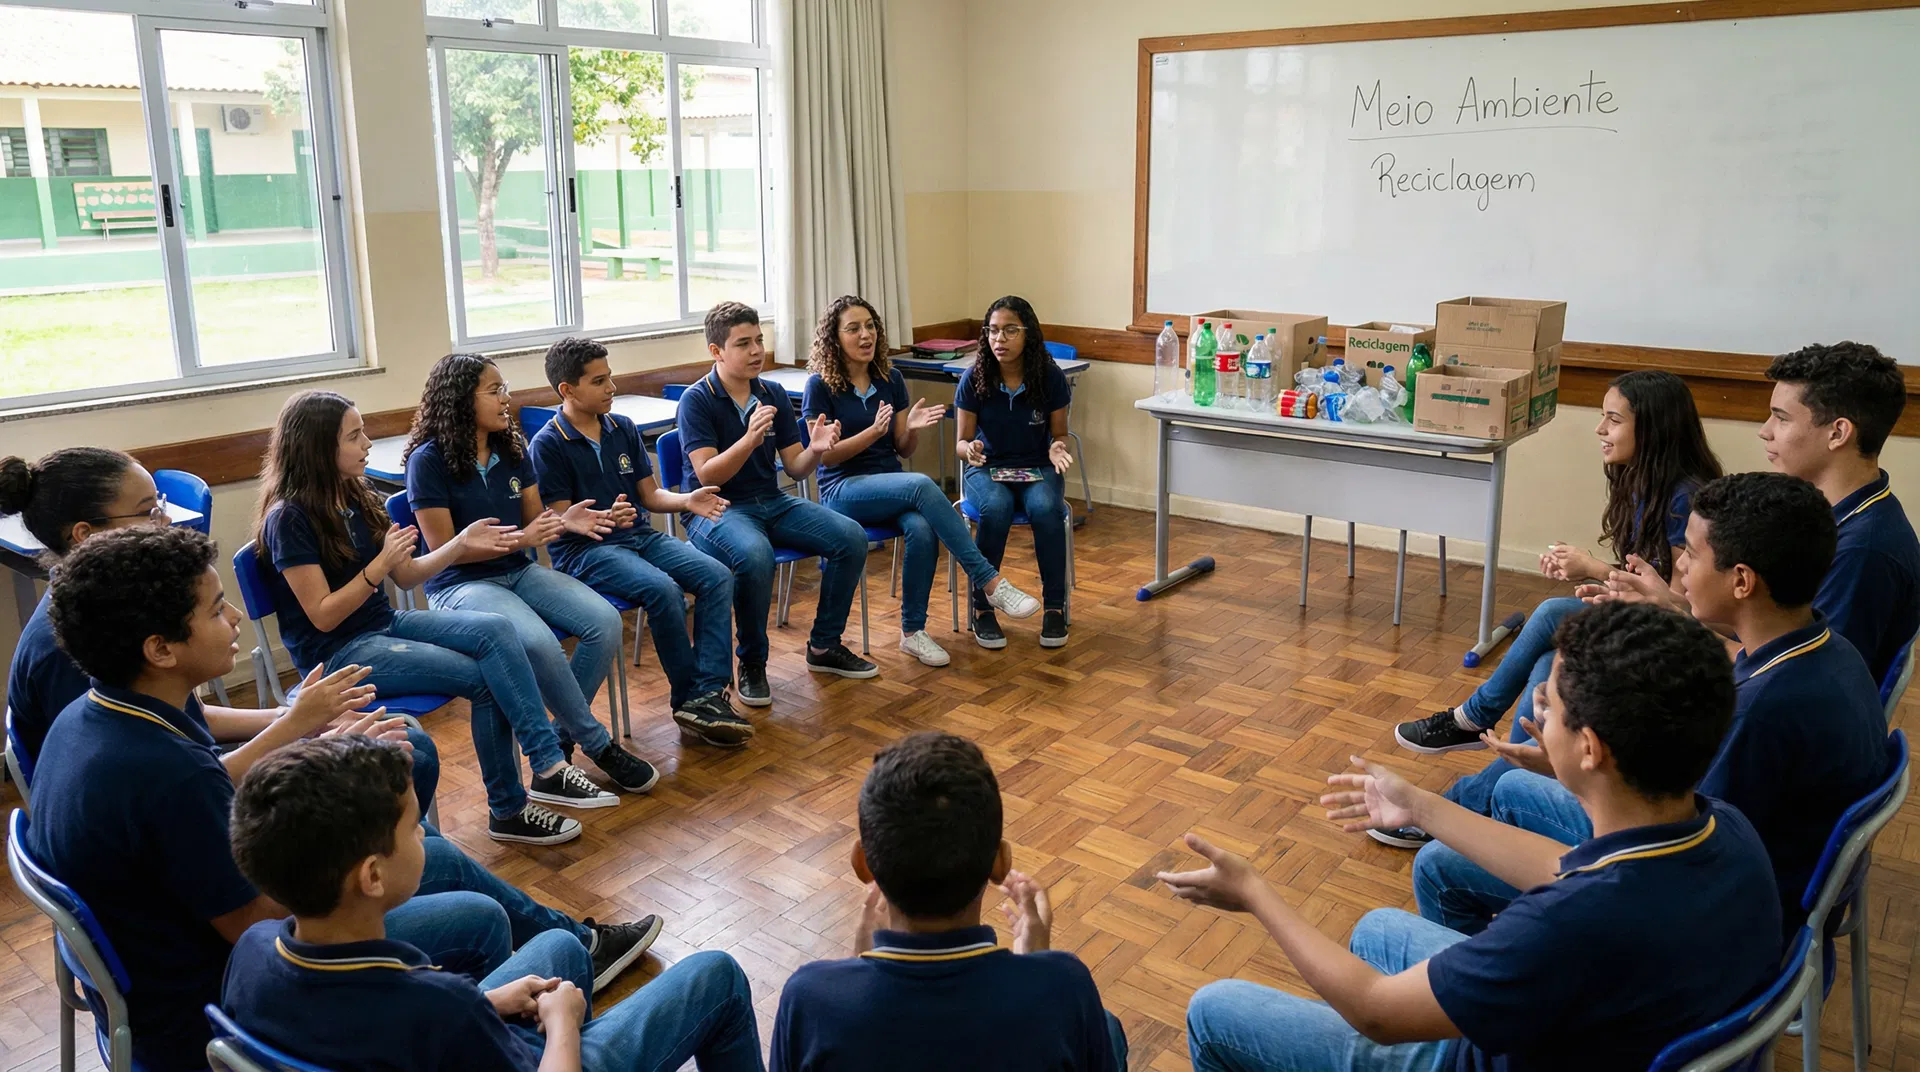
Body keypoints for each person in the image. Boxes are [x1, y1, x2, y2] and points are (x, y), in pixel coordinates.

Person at [1161, 602, 1782, 1072]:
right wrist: (1421, 806)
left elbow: (1376, 1011)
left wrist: (1254, 892)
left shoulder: (1572, 925)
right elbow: (1569, 868)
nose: (1538, 700)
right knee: (1377, 926)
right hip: (1595, 1030)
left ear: (1591, 749)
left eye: (1553, 702)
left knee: (1215, 1010)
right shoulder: (1727, 829)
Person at [23, 526, 515, 1072]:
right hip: (220, 1002)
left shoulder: (90, 714)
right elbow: (257, 924)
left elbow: (195, 828)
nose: (235, 617)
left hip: (166, 965)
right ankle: (459, 1033)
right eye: (215, 610)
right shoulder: (168, 776)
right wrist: (341, 796)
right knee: (480, 919)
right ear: (159, 649)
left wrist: (313, 750)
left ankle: (553, 956)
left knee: (435, 856)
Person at [255, 386, 660, 940]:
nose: (367, 442)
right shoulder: (290, 517)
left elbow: (412, 576)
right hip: (339, 654)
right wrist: (376, 569)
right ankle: (524, 791)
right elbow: (323, 617)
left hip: (383, 625)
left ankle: (533, 778)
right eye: (354, 436)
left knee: (496, 636)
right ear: (317, 446)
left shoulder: (354, 493)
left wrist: (456, 545)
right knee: (486, 676)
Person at [1414, 473, 1889, 939]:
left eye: (1694, 555)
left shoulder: (1758, 713)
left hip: (1712, 914)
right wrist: (1671, 609)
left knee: (1437, 867)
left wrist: (1573, 771)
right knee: (1513, 784)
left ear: (1742, 580)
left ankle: (1529, 965)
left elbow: (1670, 848)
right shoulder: (1827, 649)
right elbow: (1739, 664)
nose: (1680, 569)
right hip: (1754, 871)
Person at [222, 735, 766, 1072]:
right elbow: (431, 1016)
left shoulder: (250, 952)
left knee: (557, 945)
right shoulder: (437, 1008)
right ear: (371, 875)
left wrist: (489, 1002)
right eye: (416, 829)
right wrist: (561, 1027)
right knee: (714, 974)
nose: (428, 841)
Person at [1385, 370, 1722, 843]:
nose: (1601, 430)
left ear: (1653, 429)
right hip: (1648, 624)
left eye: (1612, 420)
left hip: (1666, 643)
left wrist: (1595, 571)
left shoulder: (1686, 497)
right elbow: (1642, 579)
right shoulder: (1642, 481)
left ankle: (1471, 726)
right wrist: (1591, 572)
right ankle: (1474, 802)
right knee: (1548, 665)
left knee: (1548, 616)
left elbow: (1677, 601)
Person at [0, 447, 437, 811]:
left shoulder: (114, 608)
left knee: (401, 741)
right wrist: (298, 735)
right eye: (148, 512)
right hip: (181, 819)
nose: (165, 521)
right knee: (399, 755)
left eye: (161, 507)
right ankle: (383, 878)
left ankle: (395, 868)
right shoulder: (70, 648)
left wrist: (297, 718)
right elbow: (170, 790)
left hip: (195, 774)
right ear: (84, 535)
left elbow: (193, 717)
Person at [770, 732, 1124, 1071]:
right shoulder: (1065, 986)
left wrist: (856, 971)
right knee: (1104, 1026)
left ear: (862, 864)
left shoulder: (809, 999)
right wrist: (1038, 967)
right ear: (1000, 864)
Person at [1582, 342, 1918, 688]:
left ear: (1838, 433)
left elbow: (1799, 675)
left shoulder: (1863, 551)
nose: (1765, 430)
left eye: (1782, 418)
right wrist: (1672, 603)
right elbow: (1772, 625)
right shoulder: (1834, 517)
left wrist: (1675, 620)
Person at [403, 352, 658, 799]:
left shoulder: (512, 448)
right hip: (461, 585)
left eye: (505, 389)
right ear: (462, 400)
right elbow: (449, 550)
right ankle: (597, 744)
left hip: (516, 572)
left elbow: (535, 521)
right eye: (495, 390)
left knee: (604, 622)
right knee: (539, 642)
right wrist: (527, 537)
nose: (507, 398)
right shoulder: (428, 461)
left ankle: (564, 735)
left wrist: (568, 522)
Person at [527, 337, 753, 748]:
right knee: (663, 590)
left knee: (717, 576)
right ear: (568, 390)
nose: (611, 387)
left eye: (610, 377)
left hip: (640, 537)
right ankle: (690, 700)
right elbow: (563, 521)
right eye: (599, 381)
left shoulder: (623, 428)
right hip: (587, 552)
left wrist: (687, 499)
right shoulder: (547, 444)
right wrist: (597, 520)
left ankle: (708, 691)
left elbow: (649, 496)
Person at [801, 296, 1040, 667]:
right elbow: (825, 456)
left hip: (889, 485)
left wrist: (909, 431)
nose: (866, 335)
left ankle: (913, 632)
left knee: (922, 527)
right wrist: (870, 433)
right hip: (842, 489)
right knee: (921, 485)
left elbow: (902, 448)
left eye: (870, 327)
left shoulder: (890, 378)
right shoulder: (820, 386)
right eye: (854, 329)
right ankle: (990, 582)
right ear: (834, 338)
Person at [676, 300, 877, 706]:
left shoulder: (772, 392)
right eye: (743, 343)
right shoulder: (697, 400)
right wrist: (749, 439)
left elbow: (796, 468)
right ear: (716, 351)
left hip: (770, 500)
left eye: (760, 341)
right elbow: (707, 475)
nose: (756, 351)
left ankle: (823, 646)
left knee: (851, 537)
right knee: (754, 554)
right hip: (714, 508)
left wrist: (817, 449)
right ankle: (751, 662)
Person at [954, 296, 1075, 649]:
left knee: (1045, 509)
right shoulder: (973, 377)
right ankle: (982, 608)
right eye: (992, 331)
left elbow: (1060, 434)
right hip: (987, 467)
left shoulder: (1049, 377)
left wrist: (1057, 447)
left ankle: (1054, 607)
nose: (999, 339)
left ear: (1028, 335)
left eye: (1009, 330)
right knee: (996, 507)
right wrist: (970, 449)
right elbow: (961, 443)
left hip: (1037, 465)